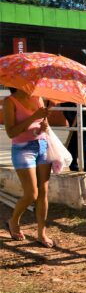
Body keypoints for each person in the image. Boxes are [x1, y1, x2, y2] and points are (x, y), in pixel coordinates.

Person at [3, 87, 55, 247]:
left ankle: (41, 234)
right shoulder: (9, 101)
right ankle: (13, 221)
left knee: (43, 192)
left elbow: (40, 125)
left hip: (43, 144)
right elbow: (11, 132)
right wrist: (34, 116)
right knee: (32, 194)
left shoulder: (38, 97)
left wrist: (43, 126)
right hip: (23, 149)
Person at [63, 49, 86, 172]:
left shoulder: (85, 73)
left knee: (82, 138)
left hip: (84, 107)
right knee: (78, 137)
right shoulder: (73, 74)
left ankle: (80, 163)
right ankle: (77, 163)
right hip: (73, 107)